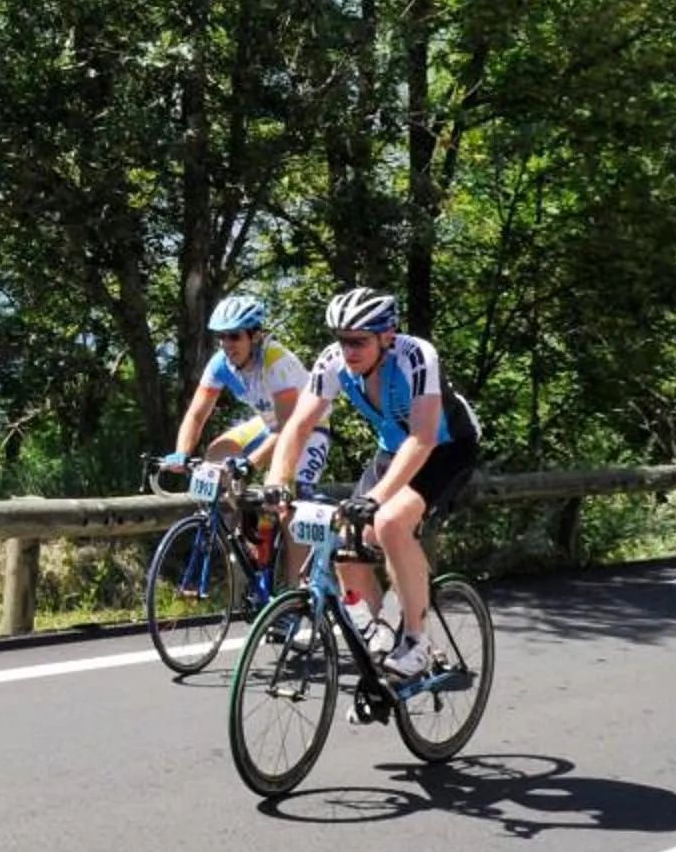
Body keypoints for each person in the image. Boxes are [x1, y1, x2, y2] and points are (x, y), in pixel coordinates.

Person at [262, 288, 482, 684]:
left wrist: (376, 499)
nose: (348, 351)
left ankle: (417, 643)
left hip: (445, 447)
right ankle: (385, 629)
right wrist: (278, 481)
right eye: (342, 340)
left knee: (389, 523)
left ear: (387, 336)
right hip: (392, 449)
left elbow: (423, 438)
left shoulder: (417, 356)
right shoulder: (332, 362)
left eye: (359, 341)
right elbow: (297, 425)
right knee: (346, 546)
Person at [161, 294, 332, 492]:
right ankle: (234, 520)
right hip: (270, 422)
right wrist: (182, 453)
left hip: (308, 427)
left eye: (234, 336)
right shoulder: (220, 364)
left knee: (282, 498)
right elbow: (196, 415)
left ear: (255, 336)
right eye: (221, 336)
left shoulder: (276, 362)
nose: (226, 344)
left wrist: (251, 463)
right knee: (216, 459)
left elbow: (288, 429)